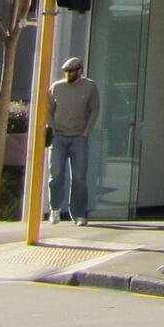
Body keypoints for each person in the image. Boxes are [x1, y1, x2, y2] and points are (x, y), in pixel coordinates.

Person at [47, 56, 101, 226]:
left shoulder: (90, 86)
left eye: (71, 71)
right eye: (66, 71)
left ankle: (79, 214)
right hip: (59, 137)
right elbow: (48, 110)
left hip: (79, 137)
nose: (68, 74)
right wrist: (53, 129)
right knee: (56, 174)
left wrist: (86, 132)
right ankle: (54, 209)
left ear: (80, 71)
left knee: (79, 177)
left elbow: (94, 109)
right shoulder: (56, 87)